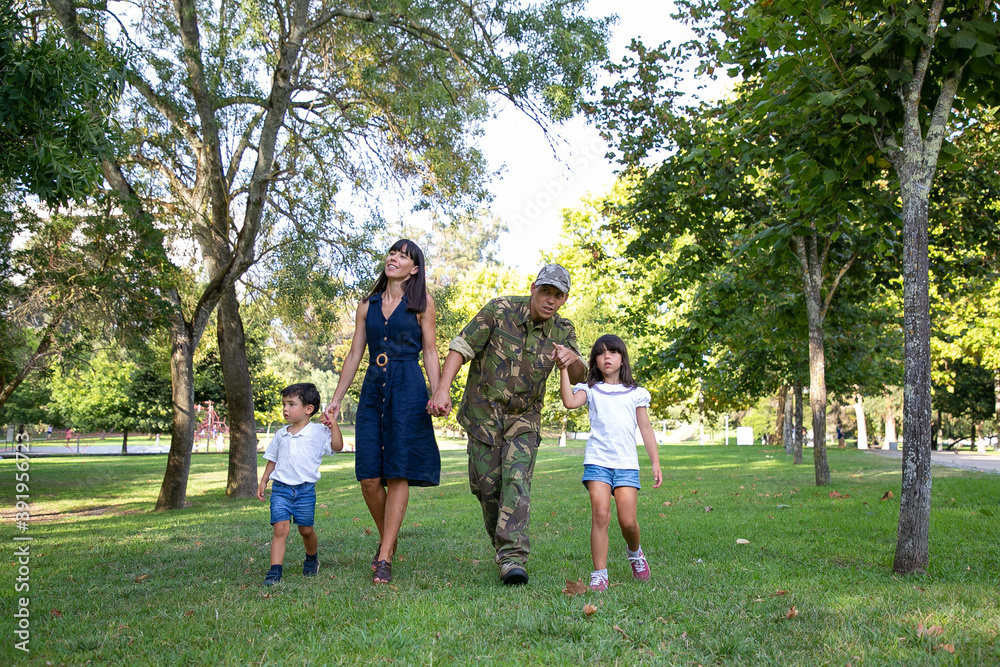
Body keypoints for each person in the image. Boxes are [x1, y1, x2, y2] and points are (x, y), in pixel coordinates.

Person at [428, 264, 587, 586]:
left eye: (558, 295)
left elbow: (581, 374)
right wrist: (443, 389)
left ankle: (513, 557)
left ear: (565, 299)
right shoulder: (500, 310)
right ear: (533, 288)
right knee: (487, 489)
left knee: (517, 480)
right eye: (545, 291)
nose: (550, 300)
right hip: (484, 413)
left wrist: (574, 361)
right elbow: (461, 347)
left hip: (524, 418)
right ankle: (503, 548)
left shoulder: (563, 331)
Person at [324, 239, 441, 584]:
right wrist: (335, 398)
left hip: (408, 386)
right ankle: (388, 537)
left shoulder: (422, 304)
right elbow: (353, 355)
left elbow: (431, 352)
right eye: (393, 253)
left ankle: (386, 553)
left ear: (414, 269)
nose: (395, 258)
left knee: (398, 472)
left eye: (404, 256)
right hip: (373, 389)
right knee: (369, 477)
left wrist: (438, 393)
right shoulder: (366, 305)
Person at [558, 334, 662, 591]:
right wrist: (562, 370)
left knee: (628, 522)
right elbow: (570, 402)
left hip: (626, 464)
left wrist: (655, 462)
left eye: (612, 352)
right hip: (597, 461)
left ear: (622, 358)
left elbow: (645, 428)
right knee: (600, 514)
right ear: (594, 359)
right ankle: (600, 573)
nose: (607, 357)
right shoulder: (589, 389)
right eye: (601, 353)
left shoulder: (636, 393)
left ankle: (635, 552)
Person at [257, 383, 344, 586]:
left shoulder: (318, 432)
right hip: (281, 490)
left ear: (308, 409)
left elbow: (337, 446)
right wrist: (264, 480)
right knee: (280, 529)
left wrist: (333, 424)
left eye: (291, 404)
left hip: (305, 491)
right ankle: (274, 571)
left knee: (306, 530)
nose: (285, 409)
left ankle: (312, 559)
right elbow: (273, 459)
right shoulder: (281, 433)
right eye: (284, 404)